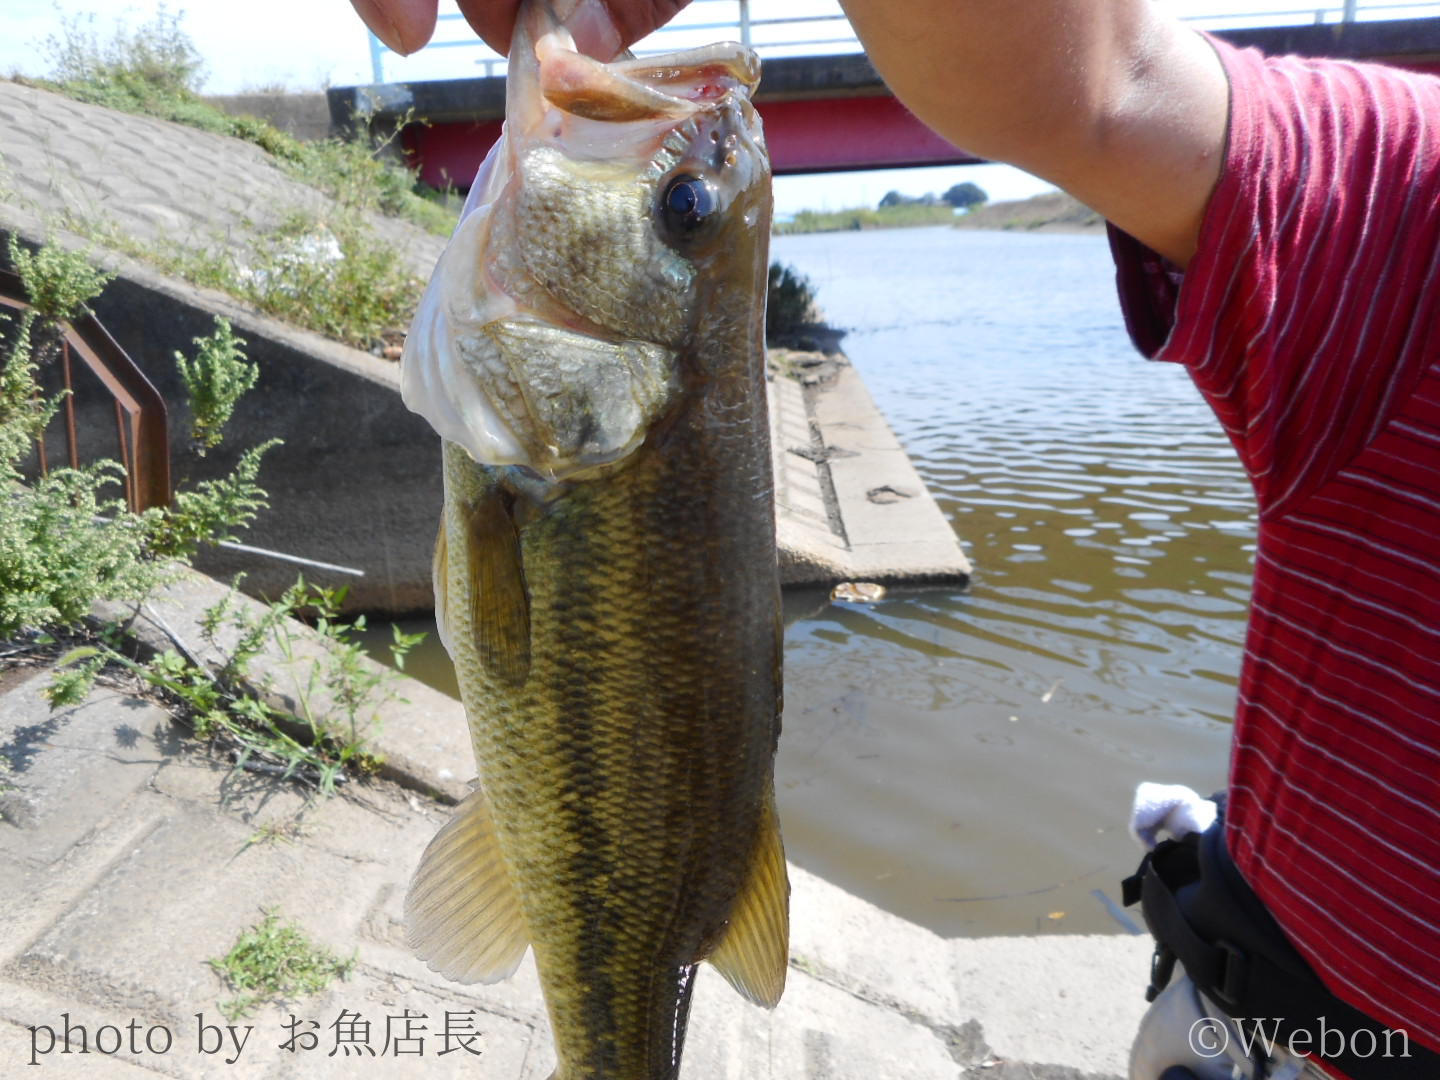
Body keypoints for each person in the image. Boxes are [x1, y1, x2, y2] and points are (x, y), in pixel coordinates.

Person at [349, 1, 1440, 1076]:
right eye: (687, 209)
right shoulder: (1403, 223)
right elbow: (1105, 80)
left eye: (680, 209)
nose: (685, 187)